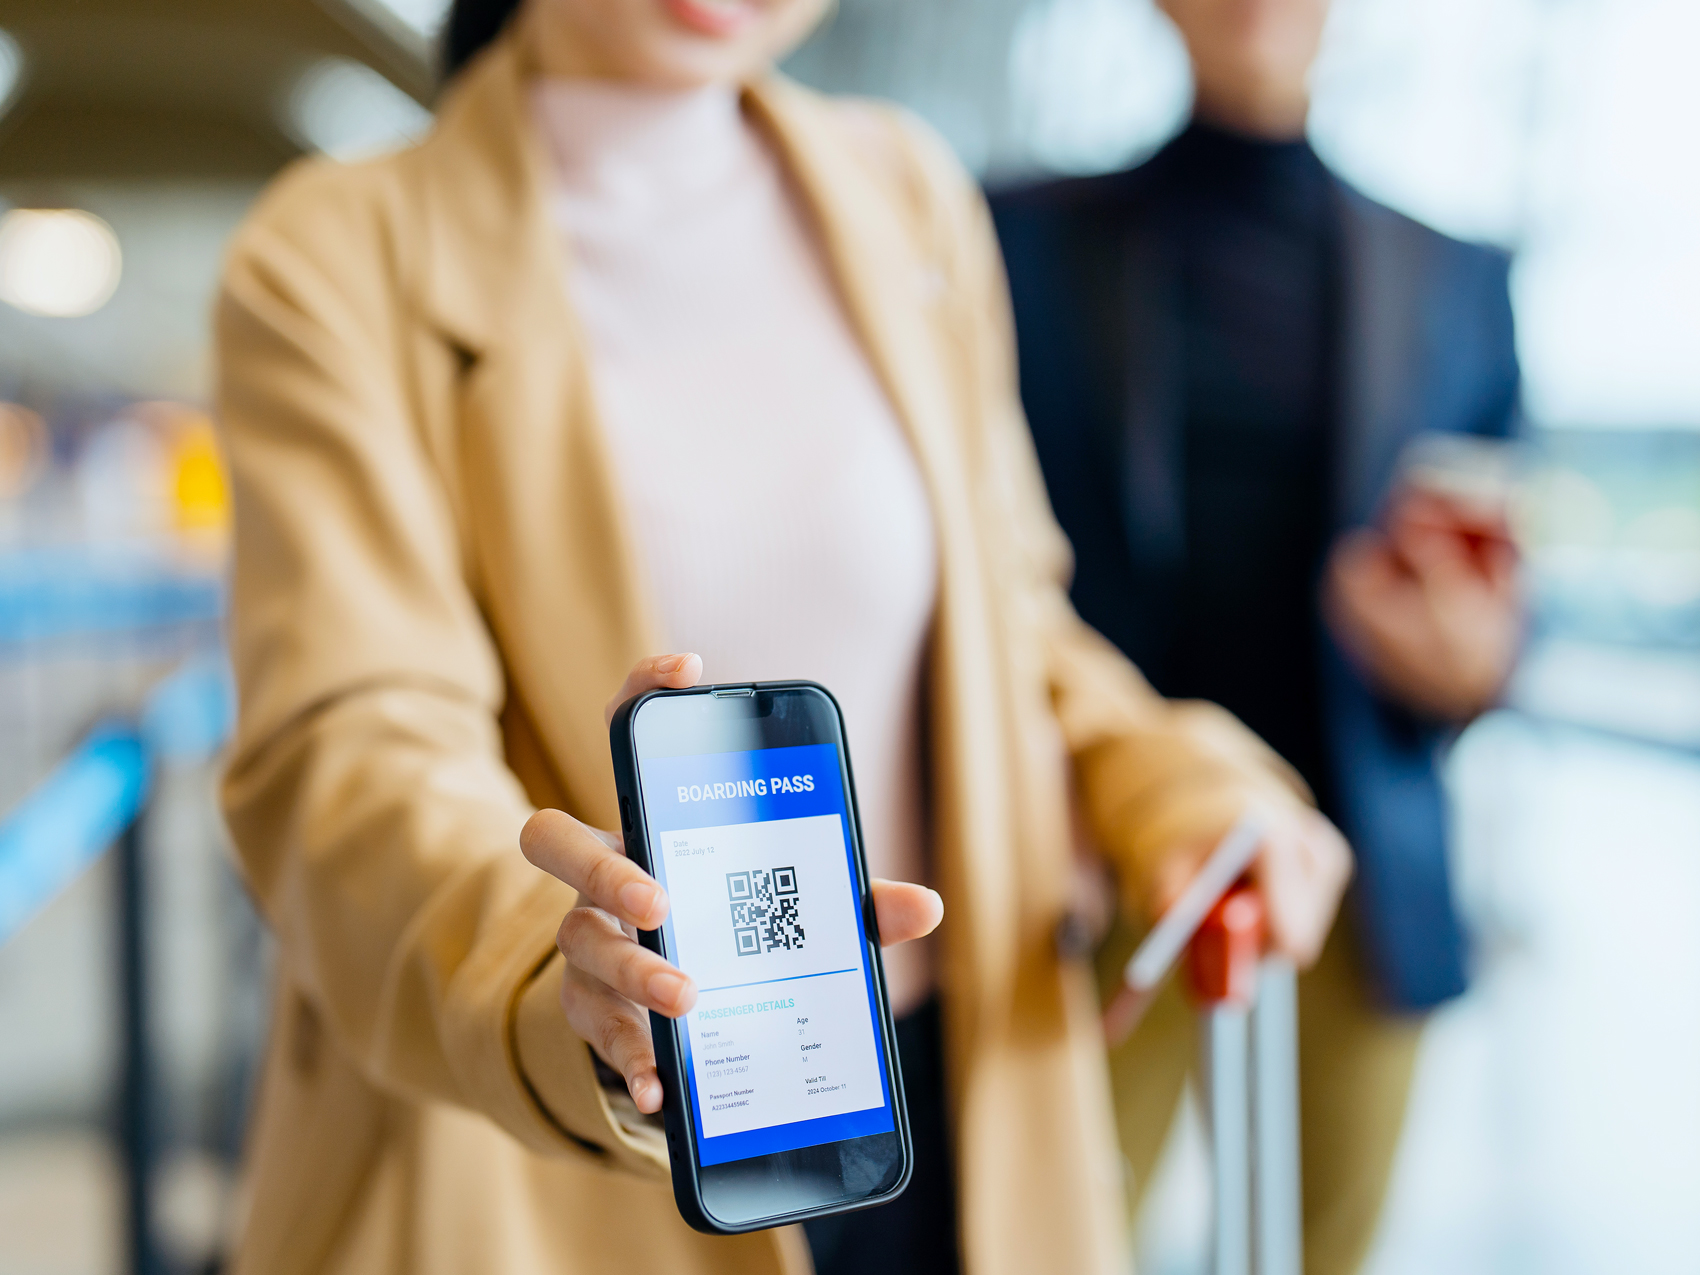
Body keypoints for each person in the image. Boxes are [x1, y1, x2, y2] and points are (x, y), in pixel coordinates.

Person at [213, 1, 1355, 1273]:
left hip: (951, 1087)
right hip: (572, 1133)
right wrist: (551, 979)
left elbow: (1011, 621)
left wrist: (1177, 778)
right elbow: (351, 742)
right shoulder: (336, 252)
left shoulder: (902, 192)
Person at [990, 0, 1522, 1270]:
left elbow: (1495, 579)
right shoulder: (1012, 241)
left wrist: (1466, 665)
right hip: (1085, 856)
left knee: (1318, 1246)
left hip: (1354, 862)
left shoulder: (1453, 275)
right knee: (1052, 1239)